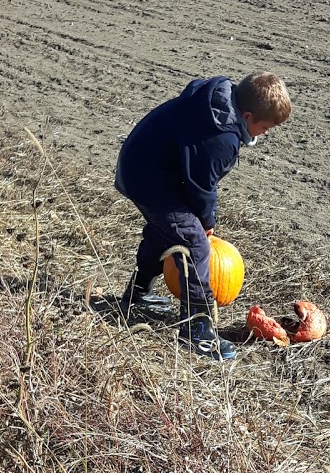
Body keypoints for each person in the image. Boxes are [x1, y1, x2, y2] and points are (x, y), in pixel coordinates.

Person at [114, 72, 292, 362]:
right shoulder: (221, 138)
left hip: (148, 166)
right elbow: (202, 187)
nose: (266, 133)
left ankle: (136, 295)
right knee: (194, 242)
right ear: (247, 116)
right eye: (265, 126)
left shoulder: (216, 103)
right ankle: (197, 330)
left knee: (166, 231)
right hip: (146, 177)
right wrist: (207, 223)